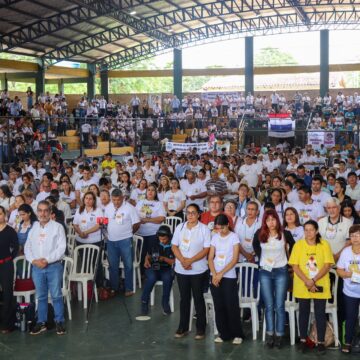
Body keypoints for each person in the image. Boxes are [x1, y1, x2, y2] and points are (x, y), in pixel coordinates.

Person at [289, 220, 334, 355]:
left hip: (320, 283)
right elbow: (294, 266)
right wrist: (307, 281)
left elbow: (327, 265)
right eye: (306, 230)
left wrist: (313, 280)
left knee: (320, 313)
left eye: (311, 229)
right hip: (303, 284)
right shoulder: (298, 245)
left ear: (317, 231)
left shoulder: (324, 244)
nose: (308, 232)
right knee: (304, 312)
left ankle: (320, 342)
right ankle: (303, 340)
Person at [253, 209, 295, 348]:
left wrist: (290, 262)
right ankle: (270, 334)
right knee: (269, 305)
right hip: (265, 271)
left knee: (279, 305)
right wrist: (262, 259)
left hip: (281, 271)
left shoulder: (285, 234)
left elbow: (294, 247)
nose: (271, 222)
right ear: (264, 221)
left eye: (273, 219)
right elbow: (255, 246)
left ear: (277, 219)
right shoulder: (260, 234)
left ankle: (280, 334)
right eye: (268, 219)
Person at [24, 200, 67, 335]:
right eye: (40, 210)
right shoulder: (34, 228)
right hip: (37, 268)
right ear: (37, 212)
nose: (43, 213)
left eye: (45, 211)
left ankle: (59, 321)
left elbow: (61, 248)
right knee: (41, 296)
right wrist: (34, 261)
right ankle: (41, 322)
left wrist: (47, 260)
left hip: (53, 266)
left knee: (56, 295)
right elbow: (27, 247)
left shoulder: (57, 227)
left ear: (50, 213)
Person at [171, 203, 211, 340]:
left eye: (193, 213)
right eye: (188, 213)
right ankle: (183, 327)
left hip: (198, 270)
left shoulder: (204, 229)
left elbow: (206, 249)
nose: (190, 215)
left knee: (199, 299)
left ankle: (200, 329)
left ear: (198, 214)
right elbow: (174, 246)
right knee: (184, 299)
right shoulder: (179, 227)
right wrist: (183, 260)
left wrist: (190, 260)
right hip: (182, 269)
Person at [208, 214, 244, 344]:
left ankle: (237, 334)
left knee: (231, 305)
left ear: (228, 225)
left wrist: (221, 273)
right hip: (215, 275)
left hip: (228, 276)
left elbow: (234, 259)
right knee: (219, 305)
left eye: (222, 228)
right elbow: (210, 257)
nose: (220, 231)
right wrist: (214, 273)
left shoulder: (234, 237)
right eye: (217, 228)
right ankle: (224, 333)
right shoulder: (215, 237)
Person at [104, 189, 140, 296]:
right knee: (113, 266)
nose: (116, 202)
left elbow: (137, 223)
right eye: (114, 200)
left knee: (128, 265)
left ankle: (128, 288)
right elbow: (105, 221)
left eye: (118, 200)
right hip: (111, 241)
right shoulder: (108, 207)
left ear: (123, 198)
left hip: (125, 240)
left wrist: (129, 233)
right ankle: (114, 288)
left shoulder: (130, 208)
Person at [140, 225, 175, 316]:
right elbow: (148, 255)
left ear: (169, 237)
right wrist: (146, 260)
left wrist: (164, 259)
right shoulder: (154, 242)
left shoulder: (174, 245)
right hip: (154, 267)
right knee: (151, 278)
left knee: (167, 279)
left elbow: (175, 262)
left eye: (164, 239)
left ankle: (165, 303)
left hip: (167, 268)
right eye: (160, 238)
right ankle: (144, 301)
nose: (162, 241)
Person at [336, 224, 360, 354]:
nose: (355, 238)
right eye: (352, 236)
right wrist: (347, 274)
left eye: (357, 235)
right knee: (350, 316)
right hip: (350, 291)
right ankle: (348, 342)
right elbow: (339, 270)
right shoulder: (346, 252)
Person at [136, 185, 166, 270]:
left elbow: (161, 218)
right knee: (141, 256)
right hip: (139, 233)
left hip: (153, 234)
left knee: (153, 255)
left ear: (155, 193)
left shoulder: (158, 204)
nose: (150, 192)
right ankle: (142, 274)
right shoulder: (140, 202)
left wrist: (147, 220)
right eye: (148, 190)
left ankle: (152, 274)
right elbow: (134, 216)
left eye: (153, 190)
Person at [0, 206, 19, 333]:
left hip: (6, 264)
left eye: (0, 213)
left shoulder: (10, 231)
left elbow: (16, 248)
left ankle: (7, 324)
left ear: (4, 215)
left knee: (7, 293)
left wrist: (8, 259)